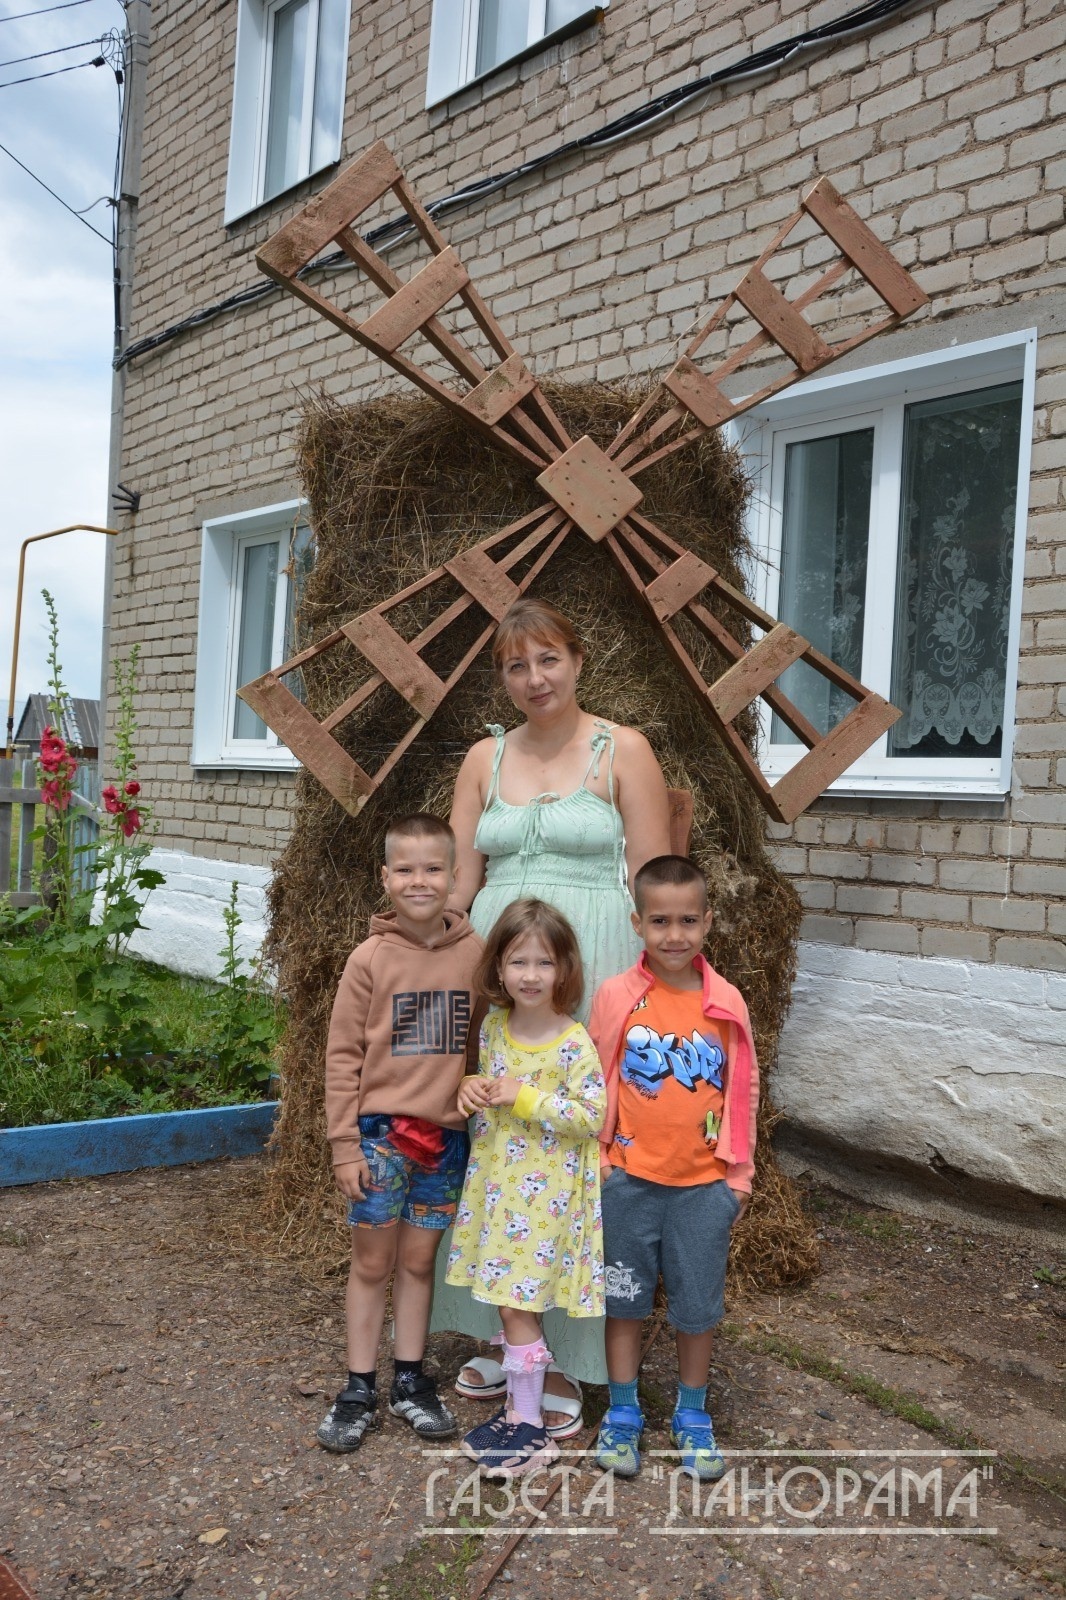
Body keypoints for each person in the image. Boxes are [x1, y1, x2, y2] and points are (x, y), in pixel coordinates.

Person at [434, 597, 673, 1416]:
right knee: (502, 1149)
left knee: (573, 1153)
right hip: (503, 973)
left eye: (548, 660)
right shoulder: (483, 758)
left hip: (592, 965)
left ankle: (568, 1355)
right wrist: (413, 940)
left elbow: (655, 880)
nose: (534, 679)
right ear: (500, 678)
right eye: (515, 665)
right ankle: (506, 1336)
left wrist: (654, 996)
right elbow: (462, 885)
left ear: (577, 660)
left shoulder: (623, 750)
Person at [588, 854, 759, 1482]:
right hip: (628, 1183)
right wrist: (601, 1160)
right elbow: (594, 1078)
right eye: (660, 920)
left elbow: (744, 1090)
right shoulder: (617, 998)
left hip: (702, 1189)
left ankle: (693, 1416)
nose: (675, 934)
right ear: (637, 921)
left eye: (689, 920)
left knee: (696, 1309)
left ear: (708, 921)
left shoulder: (726, 1001)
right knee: (624, 1302)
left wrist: (736, 1177)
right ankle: (624, 1413)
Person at [316, 814, 482, 1454]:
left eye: (433, 868)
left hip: (444, 1142)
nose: (420, 881)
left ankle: (410, 1379)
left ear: (455, 876)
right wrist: (344, 1146)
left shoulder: (475, 953)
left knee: (419, 1262)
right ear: (385, 878)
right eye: (406, 869)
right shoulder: (369, 960)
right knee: (372, 1262)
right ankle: (359, 1386)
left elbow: (485, 1044)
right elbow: (342, 1059)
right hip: (380, 1141)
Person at [445, 898, 606, 1478]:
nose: (531, 976)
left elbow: (592, 1115)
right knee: (509, 1303)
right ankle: (519, 1409)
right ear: (498, 968)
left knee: (517, 1306)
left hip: (543, 1205)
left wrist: (527, 1097)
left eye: (543, 963)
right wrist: (471, 1090)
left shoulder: (571, 1042)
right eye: (518, 962)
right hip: (496, 1191)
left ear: (564, 969)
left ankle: (529, 1429)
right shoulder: (492, 1028)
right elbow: (486, 1089)